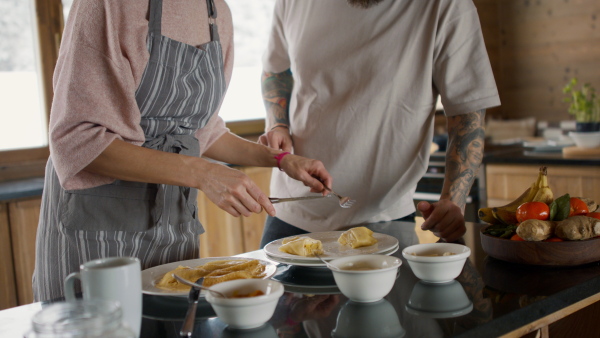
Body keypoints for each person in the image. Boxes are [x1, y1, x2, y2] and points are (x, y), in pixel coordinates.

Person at [32, 0, 332, 302]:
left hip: (174, 228)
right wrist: (203, 173)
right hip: (97, 229)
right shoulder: (110, 4)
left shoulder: (217, 14)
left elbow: (202, 131)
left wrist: (281, 160)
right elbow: (79, 139)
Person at [258, 0, 500, 247]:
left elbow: (467, 112)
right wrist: (278, 125)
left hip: (385, 221)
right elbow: (275, 71)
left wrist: (454, 200)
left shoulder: (447, 5)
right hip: (290, 214)